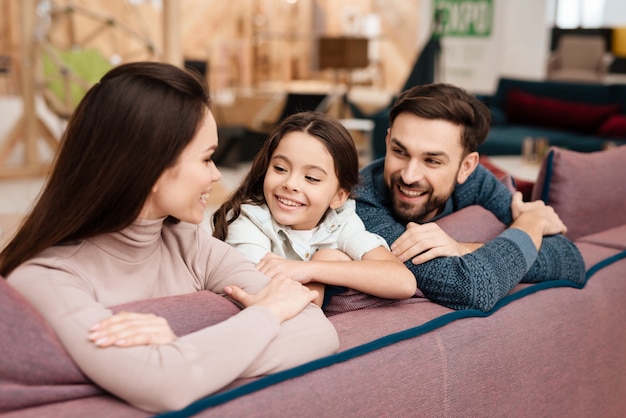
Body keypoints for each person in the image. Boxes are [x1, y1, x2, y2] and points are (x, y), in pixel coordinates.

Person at [0, 62, 339, 413]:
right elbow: (164, 385)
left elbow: (318, 332)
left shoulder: (191, 245)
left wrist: (180, 353)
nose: (216, 173)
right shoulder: (46, 278)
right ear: (152, 170)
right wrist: (268, 315)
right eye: (207, 158)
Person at [353, 83, 586, 312]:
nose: (409, 175)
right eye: (400, 152)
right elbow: (471, 288)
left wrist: (461, 248)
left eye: (432, 161)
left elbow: (570, 259)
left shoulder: (475, 182)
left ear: (466, 167)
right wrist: (532, 222)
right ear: (387, 142)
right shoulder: (361, 203)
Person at [212, 111, 416, 309]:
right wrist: (328, 265)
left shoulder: (340, 220)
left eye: (311, 178)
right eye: (280, 169)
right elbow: (274, 305)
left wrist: (312, 268)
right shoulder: (248, 221)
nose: (290, 184)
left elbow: (403, 282)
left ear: (339, 196)